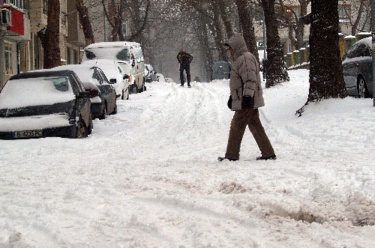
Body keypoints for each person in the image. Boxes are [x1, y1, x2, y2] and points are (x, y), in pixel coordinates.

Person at [218, 33, 276, 162]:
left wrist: (247, 97)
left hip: (247, 100)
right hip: (246, 99)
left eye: (231, 47)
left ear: (237, 46)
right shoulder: (241, 59)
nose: (229, 50)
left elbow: (250, 79)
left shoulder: (245, 59)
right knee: (255, 125)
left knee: (236, 125)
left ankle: (231, 156)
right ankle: (268, 153)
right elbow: (239, 83)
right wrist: (233, 97)